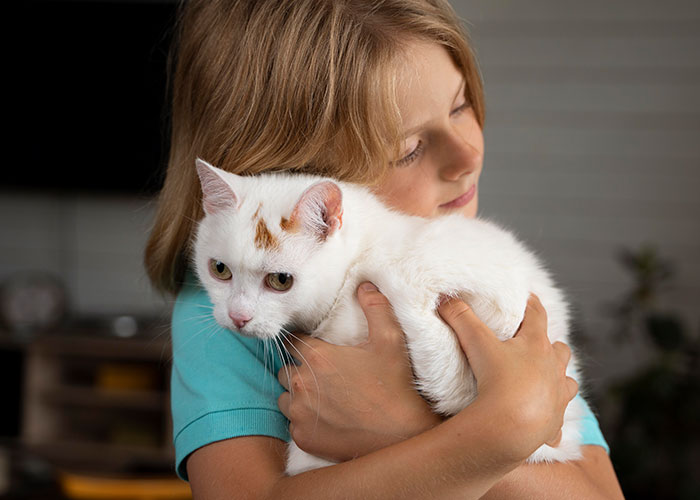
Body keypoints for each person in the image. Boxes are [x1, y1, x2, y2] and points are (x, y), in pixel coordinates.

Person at [144, 0, 625, 498]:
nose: (468, 155)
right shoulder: (226, 319)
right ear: (296, 172)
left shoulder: (480, 277)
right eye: (408, 149)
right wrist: (495, 434)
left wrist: (413, 430)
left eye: (460, 105)